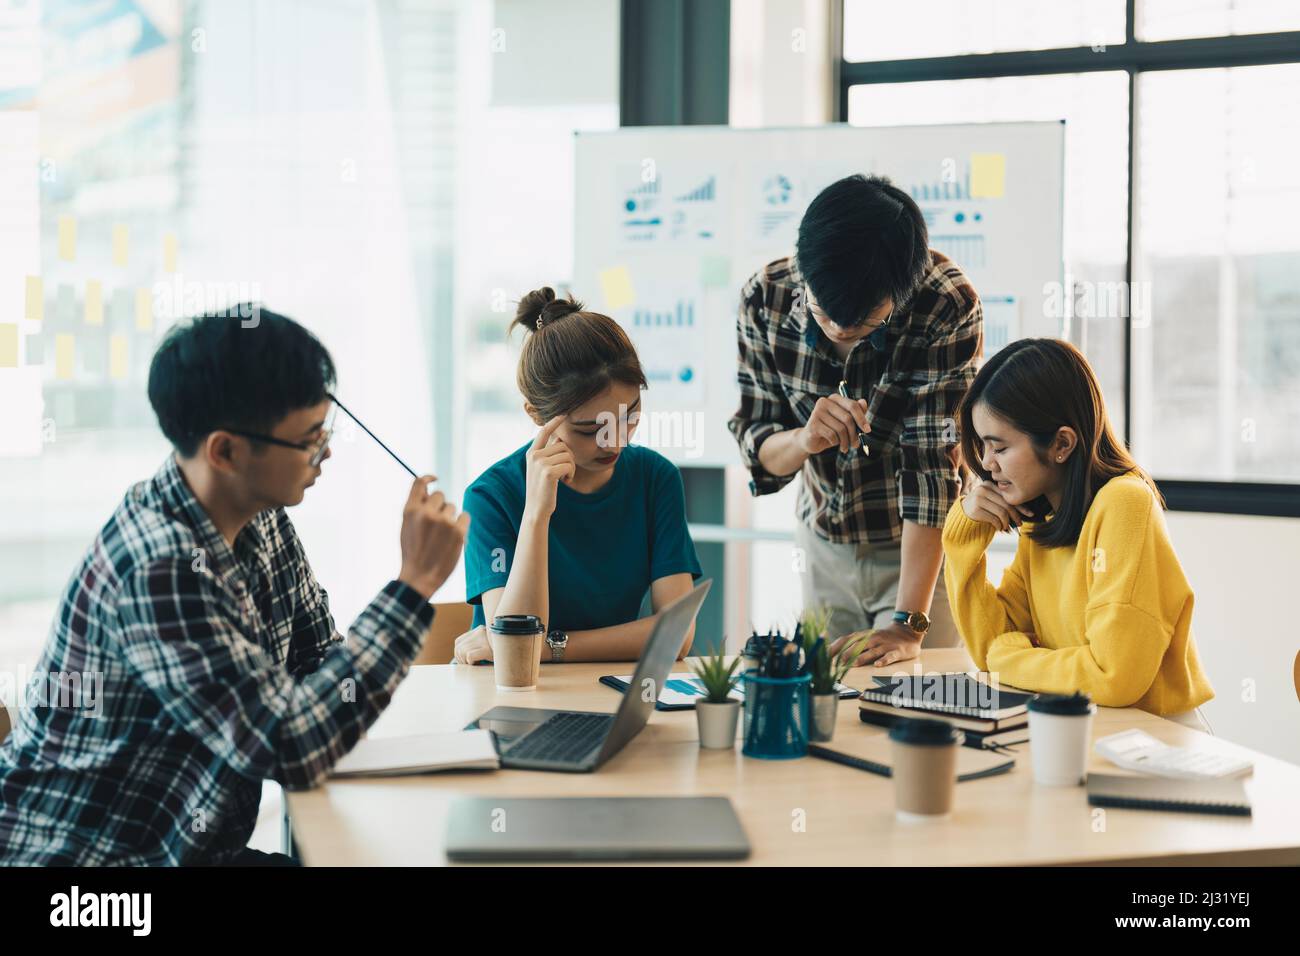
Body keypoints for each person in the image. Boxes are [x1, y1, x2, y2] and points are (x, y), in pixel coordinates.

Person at [0, 308, 468, 865]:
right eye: (309, 439)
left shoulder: (256, 512)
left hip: (190, 849)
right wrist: (412, 586)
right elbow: (289, 745)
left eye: (326, 429)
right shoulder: (158, 568)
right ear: (225, 451)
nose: (326, 452)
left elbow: (317, 661)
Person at [728, 173, 981, 667]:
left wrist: (909, 625)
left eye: (865, 321)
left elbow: (931, 471)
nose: (842, 330)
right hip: (823, 546)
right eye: (825, 315)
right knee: (830, 701)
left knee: (921, 699)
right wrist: (805, 439)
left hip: (921, 553)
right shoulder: (765, 299)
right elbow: (757, 445)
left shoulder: (945, 303)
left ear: (902, 289)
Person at [942, 337, 1214, 729]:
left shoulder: (1124, 503)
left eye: (998, 448)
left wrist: (1009, 658)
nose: (985, 464)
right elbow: (989, 648)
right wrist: (964, 534)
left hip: (1156, 736)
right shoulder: (1042, 522)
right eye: (982, 447)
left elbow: (1113, 676)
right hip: (1089, 727)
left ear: (1062, 444)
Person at [454, 287, 703, 665]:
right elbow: (515, 651)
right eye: (590, 429)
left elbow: (677, 634)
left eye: (630, 416)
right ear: (536, 416)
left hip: (604, 692)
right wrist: (537, 513)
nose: (616, 442)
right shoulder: (492, 496)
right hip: (516, 698)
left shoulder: (656, 479)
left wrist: (551, 647)